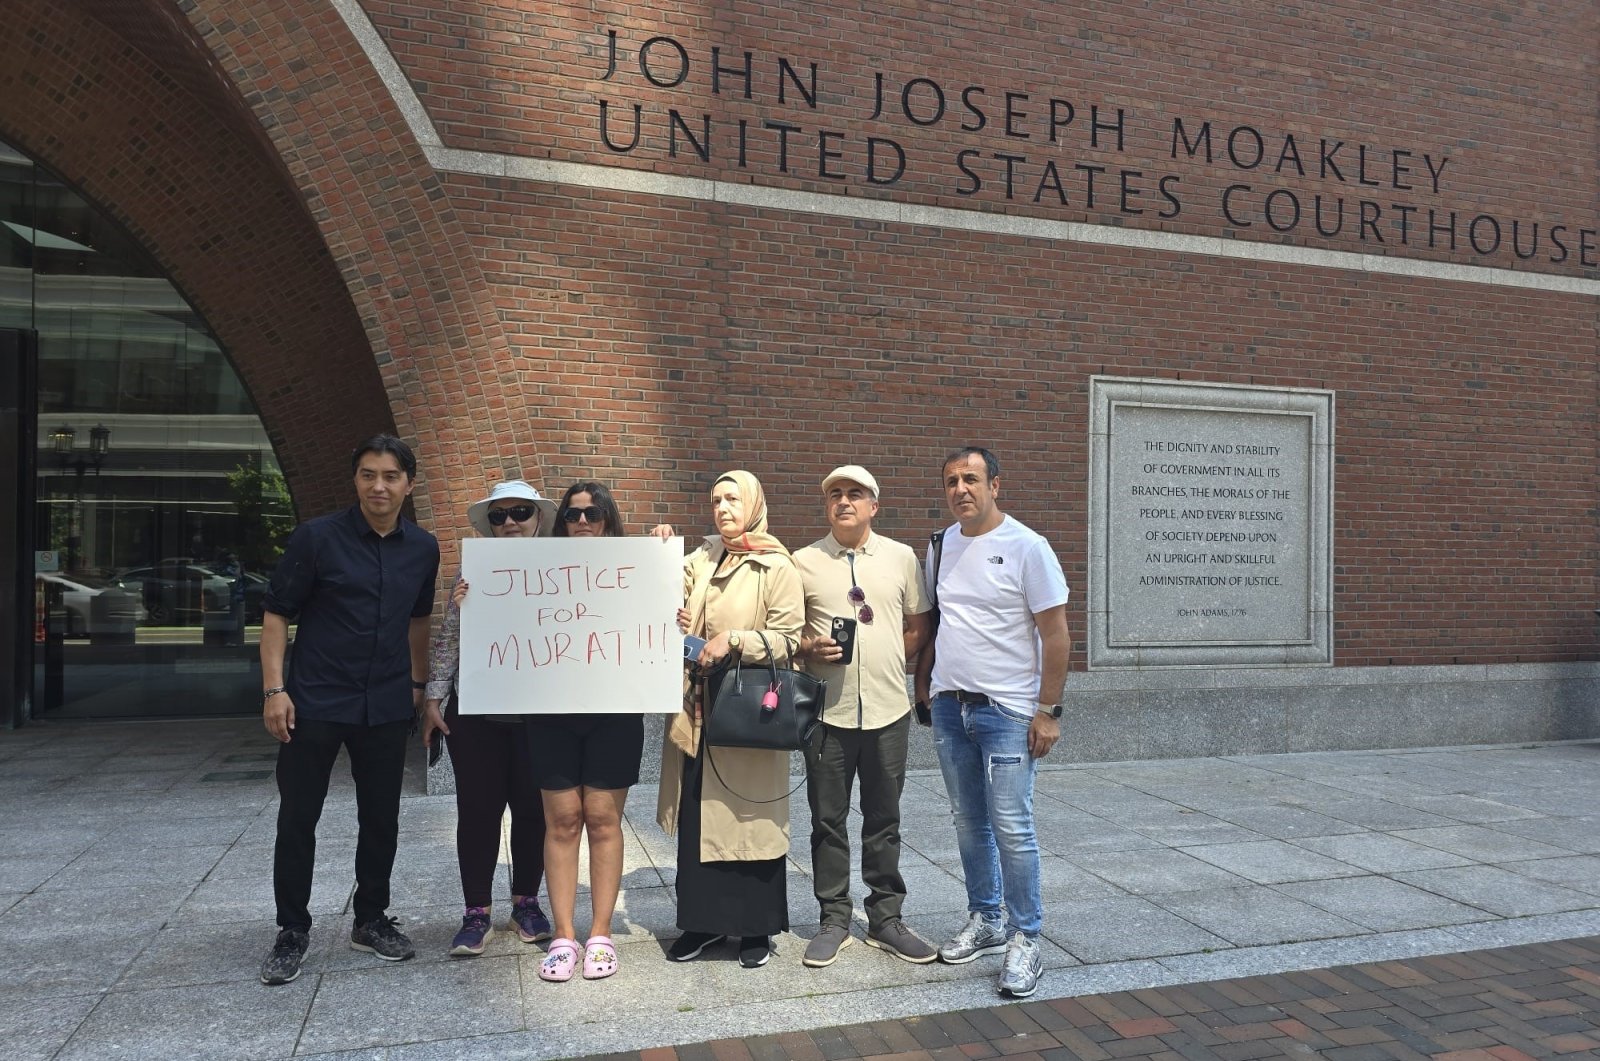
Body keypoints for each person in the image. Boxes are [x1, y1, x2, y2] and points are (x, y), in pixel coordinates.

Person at [258, 434, 441, 986]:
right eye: (368, 474)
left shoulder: (424, 547)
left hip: (385, 703)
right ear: (355, 480)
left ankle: (371, 919)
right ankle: (292, 929)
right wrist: (274, 690)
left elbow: (418, 621)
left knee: (381, 818)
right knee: (298, 818)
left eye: (390, 476)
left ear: (409, 484)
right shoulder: (317, 539)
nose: (378, 486)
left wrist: (416, 682)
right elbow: (275, 616)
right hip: (313, 700)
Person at [913, 446, 1070, 999]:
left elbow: (1056, 635)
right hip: (951, 708)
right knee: (967, 821)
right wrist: (924, 686)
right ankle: (986, 919)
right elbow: (938, 623)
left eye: (972, 479)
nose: (961, 489)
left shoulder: (1028, 548)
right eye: (952, 480)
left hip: (1007, 712)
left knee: (1012, 825)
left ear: (996, 485)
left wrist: (1048, 711)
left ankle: (1026, 938)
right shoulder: (942, 546)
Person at [658, 470, 805, 970]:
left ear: (755, 504)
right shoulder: (700, 558)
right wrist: (658, 554)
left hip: (748, 708)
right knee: (701, 816)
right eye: (716, 499)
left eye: (732, 499)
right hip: (697, 709)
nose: (722, 508)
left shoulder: (776, 565)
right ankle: (701, 923)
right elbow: (659, 594)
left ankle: (755, 928)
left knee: (750, 816)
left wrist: (736, 640)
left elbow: (789, 638)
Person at [792, 465, 935, 968]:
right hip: (826, 715)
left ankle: (885, 918)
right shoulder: (803, 561)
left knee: (884, 818)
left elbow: (919, 624)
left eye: (855, 494)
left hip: (888, 710)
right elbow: (788, 635)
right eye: (835, 494)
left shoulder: (899, 557)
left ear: (874, 505)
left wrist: (891, 660)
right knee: (827, 820)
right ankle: (834, 918)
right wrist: (811, 647)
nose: (844, 502)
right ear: (826, 506)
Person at [419, 480, 556, 960]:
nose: (510, 522)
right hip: (476, 714)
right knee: (477, 812)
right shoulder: (472, 573)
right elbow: (447, 640)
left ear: (538, 517)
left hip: (539, 719)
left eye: (519, 512)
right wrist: (434, 698)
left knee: (533, 812)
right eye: (498, 516)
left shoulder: (564, 567)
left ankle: (526, 903)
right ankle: (476, 911)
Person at [525, 482, 652, 983]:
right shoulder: (535, 573)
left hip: (616, 710)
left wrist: (665, 565)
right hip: (550, 711)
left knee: (602, 818)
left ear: (608, 520)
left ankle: (599, 933)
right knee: (561, 820)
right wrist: (475, 604)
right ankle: (562, 934)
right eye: (572, 516)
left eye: (592, 514)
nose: (581, 522)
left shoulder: (637, 572)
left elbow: (661, 618)